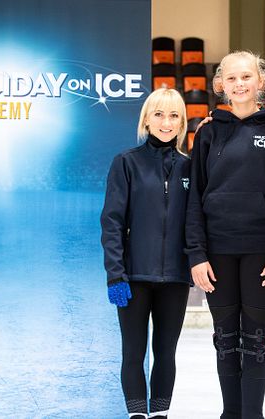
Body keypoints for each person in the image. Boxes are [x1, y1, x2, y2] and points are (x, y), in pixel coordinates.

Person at [185, 51, 265, 419]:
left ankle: (253, 415)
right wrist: (197, 254)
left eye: (246, 77)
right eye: (231, 79)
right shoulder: (207, 132)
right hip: (217, 254)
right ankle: (230, 414)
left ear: (261, 82)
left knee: (255, 342)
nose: (239, 84)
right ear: (220, 85)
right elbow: (194, 199)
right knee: (226, 341)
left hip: (262, 254)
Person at [101, 88, 192, 419]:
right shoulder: (126, 163)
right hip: (134, 277)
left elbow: (196, 224)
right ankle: (137, 415)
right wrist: (115, 274)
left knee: (166, 352)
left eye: (173, 116)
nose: (166, 122)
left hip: (176, 279)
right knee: (133, 352)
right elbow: (111, 223)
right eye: (159, 114)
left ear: (181, 122)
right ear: (146, 119)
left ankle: (160, 415)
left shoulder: (190, 167)